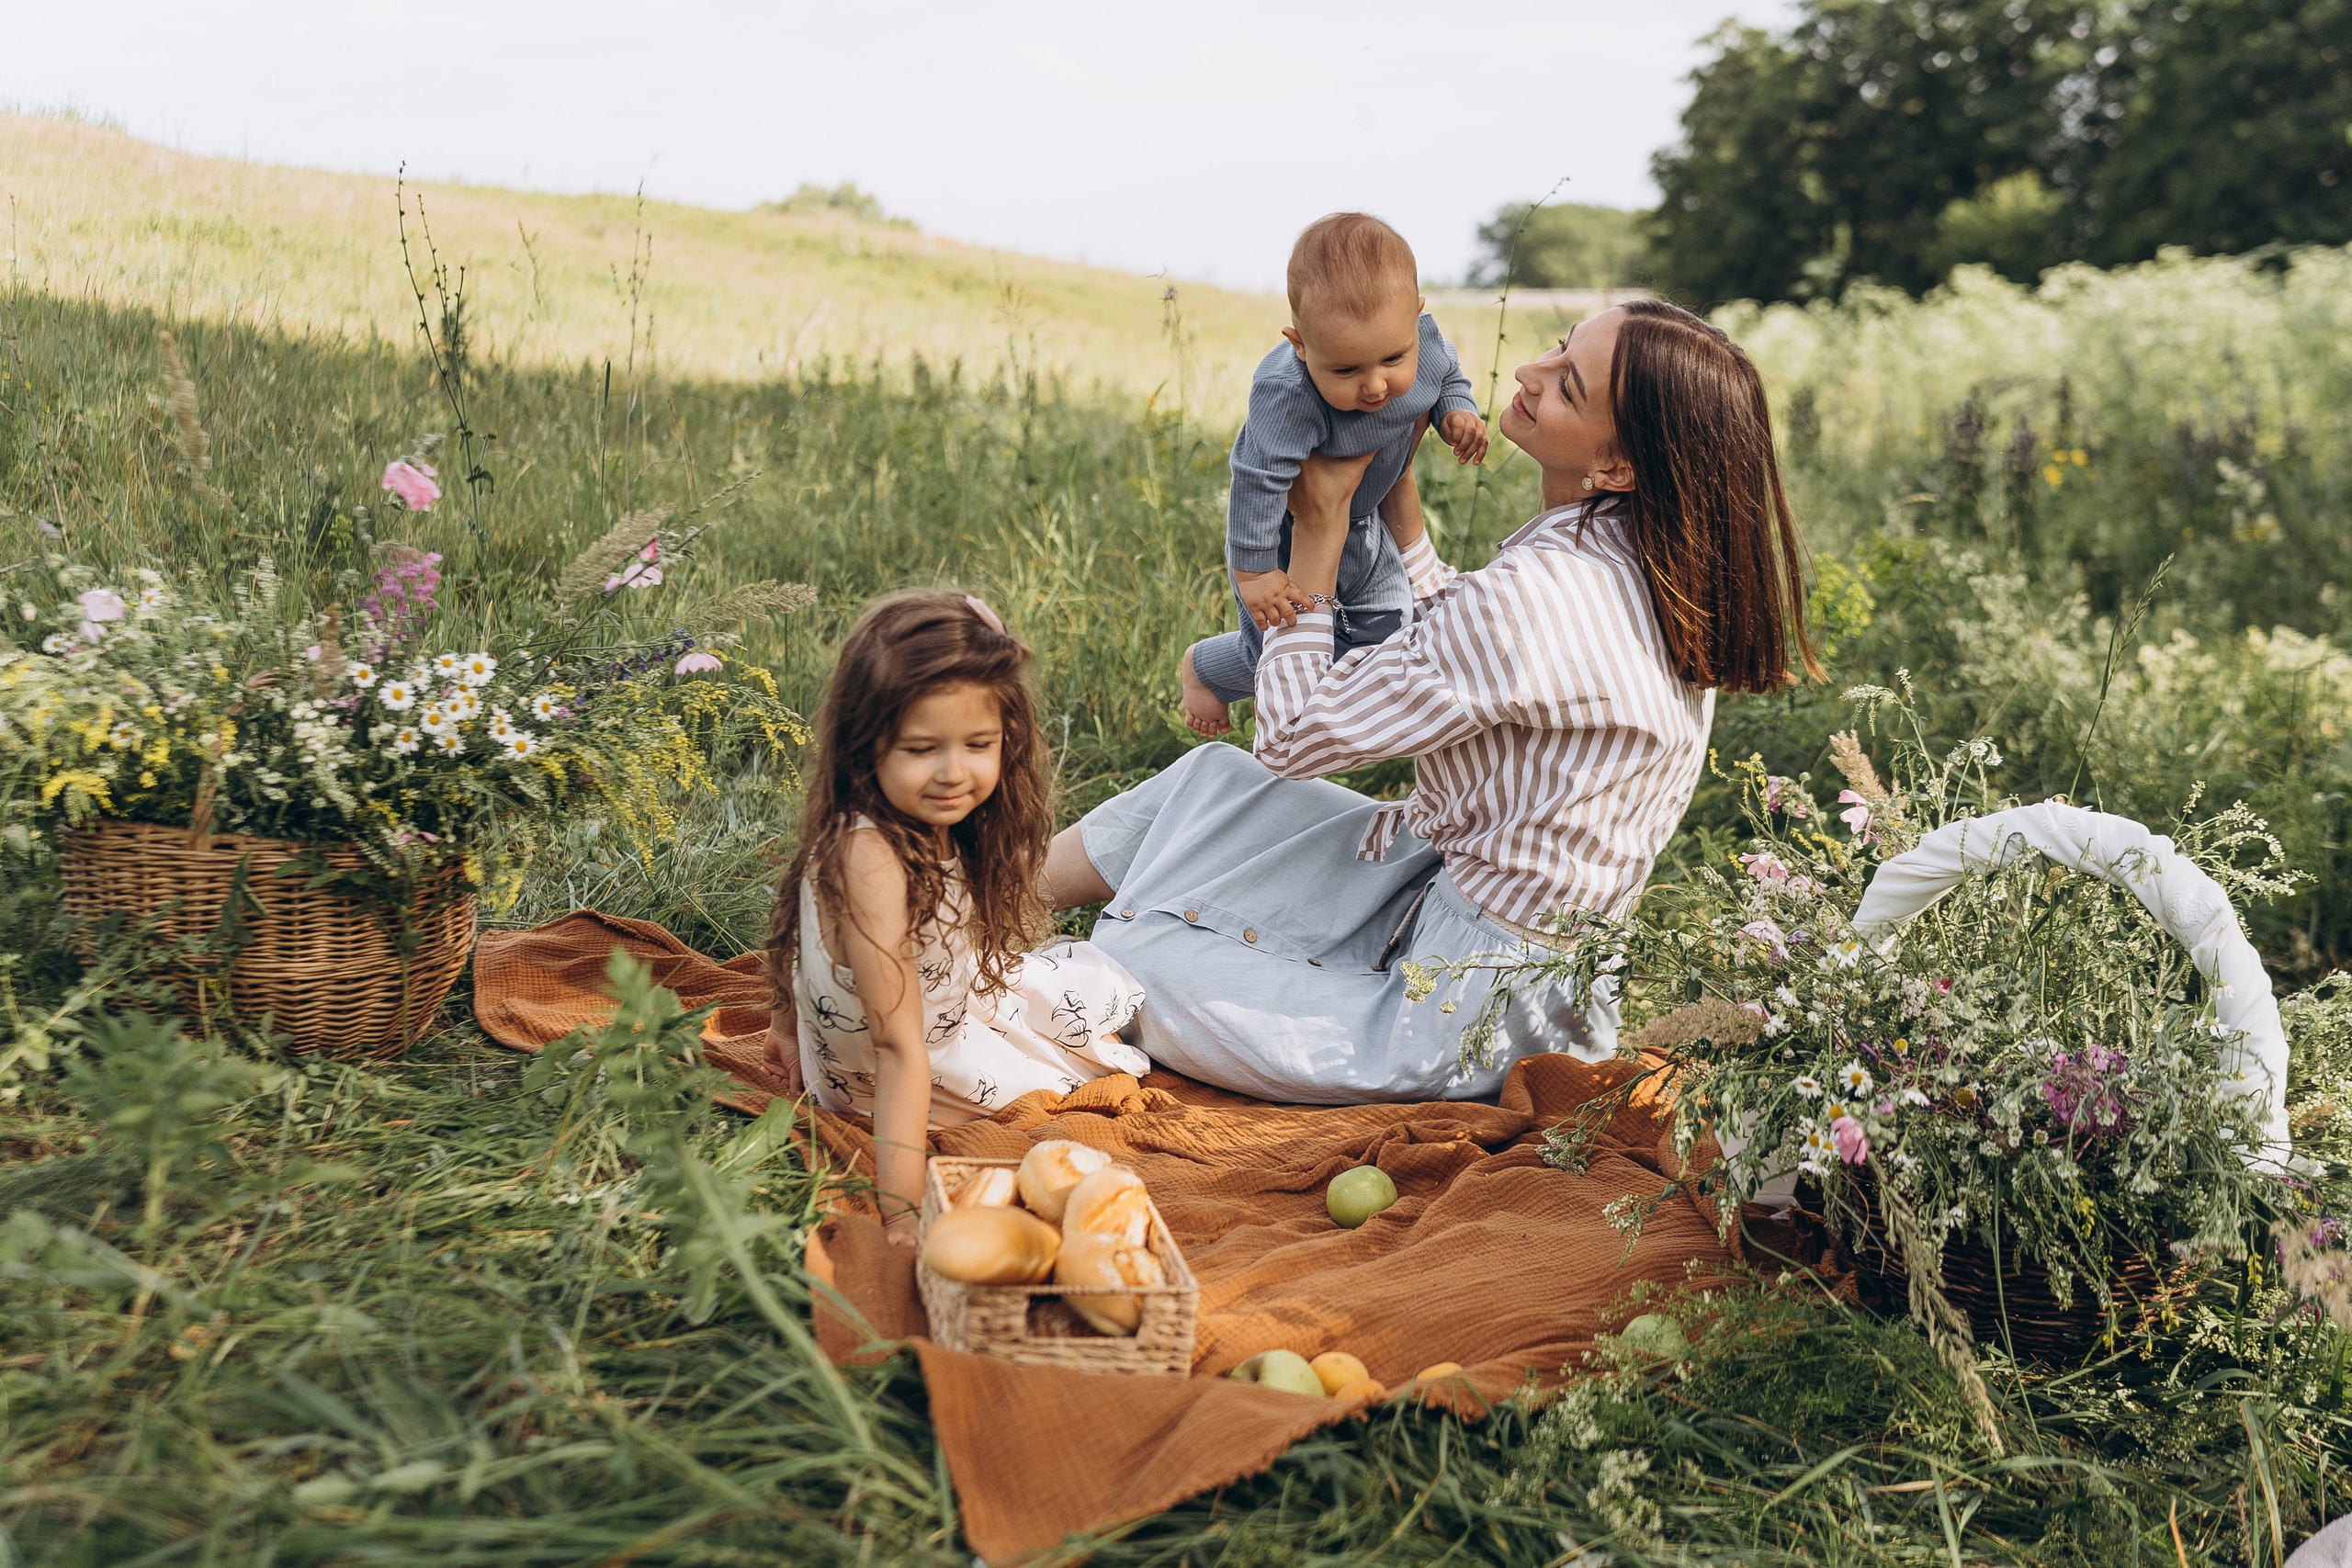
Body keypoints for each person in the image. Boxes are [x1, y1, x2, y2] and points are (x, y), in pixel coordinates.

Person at [1050, 300, 1820, 1103]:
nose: (1529, 372)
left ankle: (1027, 957)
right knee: (1211, 779)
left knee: (1136, 960)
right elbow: (1471, 641)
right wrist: (1398, 500)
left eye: (1568, 385)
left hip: (1471, 1009)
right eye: (1559, 347)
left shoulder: (1548, 594)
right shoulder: (1630, 554)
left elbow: (1294, 736)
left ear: (1617, 467)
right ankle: (990, 902)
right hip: (1458, 902)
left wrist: (1318, 533)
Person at [762, 591, 1148, 1245]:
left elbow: (800, 939)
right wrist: (901, 1214)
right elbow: (898, 1048)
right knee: (1103, 1046)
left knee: (1076, 988)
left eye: (979, 743)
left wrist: (784, 1021)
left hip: (922, 1022)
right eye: (921, 748)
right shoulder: (872, 861)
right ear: (866, 745)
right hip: (897, 1081)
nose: (954, 772)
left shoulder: (892, 821)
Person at [1179, 211, 1488, 738]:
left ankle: (1330, 702)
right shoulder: (1287, 393)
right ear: (1300, 345)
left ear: (1417, 319)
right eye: (1346, 370)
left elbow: (1447, 372)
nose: (1375, 386)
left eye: (1393, 358)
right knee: (1284, 647)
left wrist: (1455, 409)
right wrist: (1254, 573)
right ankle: (1208, 668)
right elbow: (1255, 477)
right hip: (1287, 538)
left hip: (1367, 523)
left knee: (1387, 636)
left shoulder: (1425, 343)